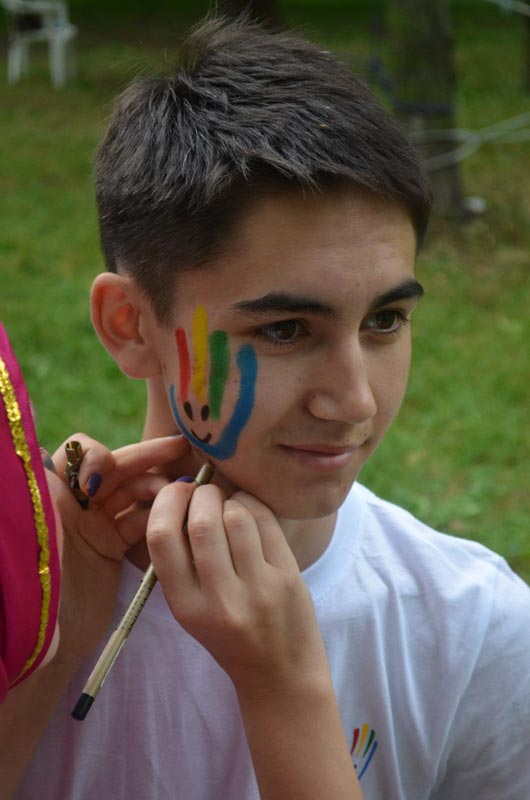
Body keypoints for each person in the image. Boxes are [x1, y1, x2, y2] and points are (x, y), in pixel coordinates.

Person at [5, 14, 530, 800]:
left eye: (386, 320)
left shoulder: (473, 629)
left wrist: (288, 691)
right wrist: (50, 648)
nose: (353, 399)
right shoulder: (27, 598)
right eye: (285, 329)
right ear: (130, 325)